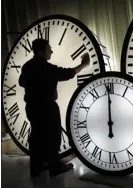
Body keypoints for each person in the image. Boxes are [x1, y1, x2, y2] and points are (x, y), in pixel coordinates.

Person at [19, 38, 90, 178]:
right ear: (41, 51)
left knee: (36, 136)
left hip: (32, 106)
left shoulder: (27, 66)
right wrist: (83, 64)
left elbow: (21, 82)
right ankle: (54, 166)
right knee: (53, 135)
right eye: (48, 48)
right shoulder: (46, 68)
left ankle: (36, 166)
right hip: (47, 106)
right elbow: (67, 73)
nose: (51, 51)